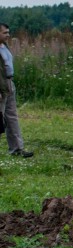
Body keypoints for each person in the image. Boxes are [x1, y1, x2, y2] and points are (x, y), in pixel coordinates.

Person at [0, 23, 33, 157]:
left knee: (12, 117)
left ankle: (17, 149)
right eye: (5, 33)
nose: (8, 35)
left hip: (9, 83)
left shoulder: (4, 47)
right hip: (0, 86)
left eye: (8, 32)